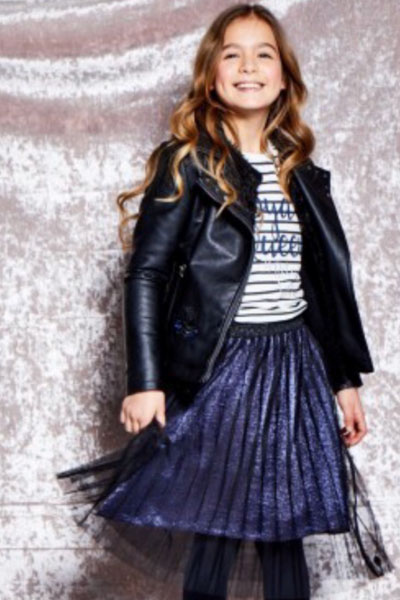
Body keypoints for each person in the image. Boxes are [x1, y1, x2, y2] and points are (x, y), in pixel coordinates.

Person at [56, 4, 394, 599]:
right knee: (217, 525)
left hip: (293, 367)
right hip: (221, 369)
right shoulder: (188, 163)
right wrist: (145, 381)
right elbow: (146, 273)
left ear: (284, 78)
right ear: (211, 77)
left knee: (285, 527)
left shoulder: (301, 174)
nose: (248, 66)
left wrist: (344, 380)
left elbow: (322, 290)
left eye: (263, 54)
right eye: (231, 55)